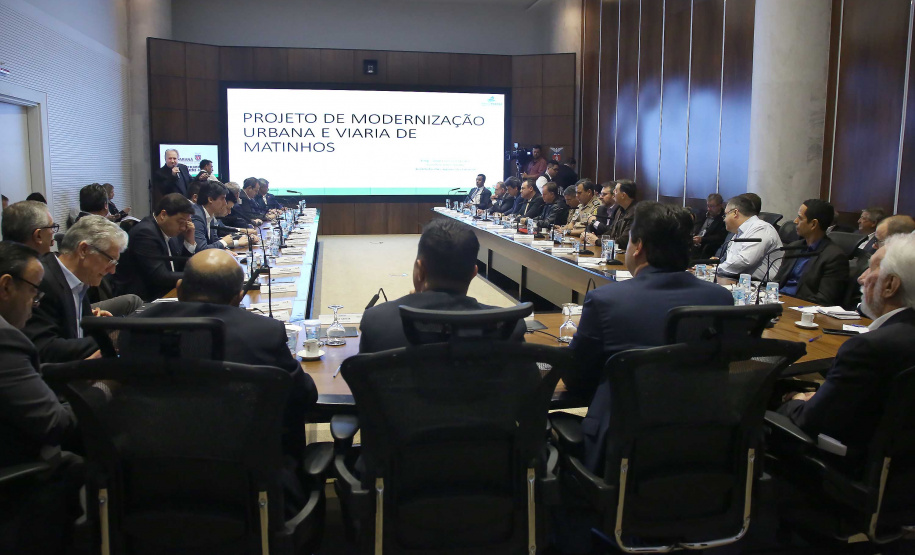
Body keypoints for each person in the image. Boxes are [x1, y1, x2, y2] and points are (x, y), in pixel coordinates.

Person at [566, 202, 733, 470]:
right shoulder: (720, 299)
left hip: (622, 446)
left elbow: (575, 375)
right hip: (701, 440)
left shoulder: (607, 300)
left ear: (638, 245)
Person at [133, 249, 318, 459]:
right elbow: (302, 395)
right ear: (238, 298)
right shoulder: (264, 331)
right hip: (240, 467)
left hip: (149, 463)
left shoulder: (136, 328)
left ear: (179, 290)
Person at [0, 241, 110, 554]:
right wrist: (104, 386)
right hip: (18, 468)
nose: (36, 303)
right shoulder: (5, 339)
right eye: (34, 292)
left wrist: (74, 371)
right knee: (101, 454)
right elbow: (56, 425)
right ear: (7, 286)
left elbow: (19, 377)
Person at [777, 234, 915, 464]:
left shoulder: (869, 347)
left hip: (851, 463)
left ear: (891, 285)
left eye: (870, 269)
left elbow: (811, 421)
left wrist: (799, 398)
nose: (861, 278)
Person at [360, 218, 526, 353]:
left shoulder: (377, 321)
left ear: (420, 270)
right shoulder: (509, 325)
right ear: (474, 273)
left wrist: (416, 297)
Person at [22, 216, 130, 362]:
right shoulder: (43, 281)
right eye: (110, 260)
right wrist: (111, 339)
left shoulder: (79, 279)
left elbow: (79, 334)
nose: (112, 271)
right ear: (83, 250)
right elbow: (45, 347)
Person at [113, 194, 197, 301]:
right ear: (163, 215)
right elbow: (160, 276)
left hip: (164, 292)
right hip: (142, 299)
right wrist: (196, 276)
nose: (183, 227)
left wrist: (189, 241)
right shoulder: (145, 233)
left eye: (187, 222)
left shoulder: (169, 231)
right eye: (180, 222)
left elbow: (178, 268)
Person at [774, 199, 849, 305]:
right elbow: (777, 282)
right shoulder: (793, 248)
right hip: (777, 303)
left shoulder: (834, 257)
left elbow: (824, 299)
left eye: (800, 218)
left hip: (800, 310)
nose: (795, 221)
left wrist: (788, 302)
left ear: (813, 224)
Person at [716, 194, 783, 281]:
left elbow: (745, 261)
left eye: (726, 215)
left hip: (762, 287)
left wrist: (717, 269)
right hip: (741, 281)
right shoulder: (739, 233)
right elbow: (731, 261)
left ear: (735, 213)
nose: (724, 219)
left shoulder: (761, 228)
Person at [191, 181, 250, 251]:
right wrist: (223, 242)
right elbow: (201, 249)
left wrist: (225, 248)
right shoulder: (197, 216)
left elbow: (214, 241)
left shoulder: (209, 215)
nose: (225, 203)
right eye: (222, 198)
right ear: (210, 199)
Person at [691, 193, 727, 258]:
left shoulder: (724, 218)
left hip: (708, 247)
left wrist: (702, 239)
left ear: (720, 206)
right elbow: (695, 227)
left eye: (712, 206)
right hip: (694, 244)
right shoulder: (702, 214)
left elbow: (720, 237)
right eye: (708, 206)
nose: (709, 209)